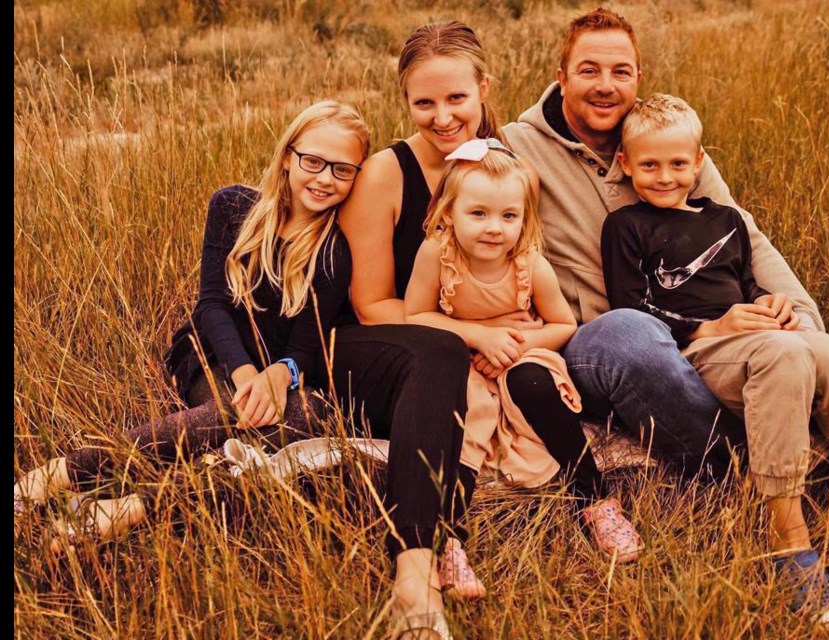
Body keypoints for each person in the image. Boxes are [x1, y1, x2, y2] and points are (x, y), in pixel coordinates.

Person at [500, 7, 829, 530]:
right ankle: (763, 470)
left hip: (711, 344)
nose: (605, 85)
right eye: (589, 70)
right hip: (605, 345)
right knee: (631, 334)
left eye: (620, 71)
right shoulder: (516, 148)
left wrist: (795, 320)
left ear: (639, 77)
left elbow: (744, 236)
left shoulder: (665, 142)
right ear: (561, 77)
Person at [601, 94, 829, 631]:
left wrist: (768, 303)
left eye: (678, 163)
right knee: (783, 355)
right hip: (702, 349)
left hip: (758, 332)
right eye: (649, 165)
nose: (664, 176)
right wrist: (709, 327)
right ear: (625, 165)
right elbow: (629, 303)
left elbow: (744, 282)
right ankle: (788, 537)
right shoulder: (626, 226)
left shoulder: (726, 219)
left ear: (699, 161)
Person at [13, 99, 368, 548]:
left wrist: (282, 375)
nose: (324, 178)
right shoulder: (234, 207)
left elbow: (304, 346)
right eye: (313, 161)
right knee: (235, 416)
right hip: (215, 356)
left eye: (342, 169)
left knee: (307, 415)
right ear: (287, 156)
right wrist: (246, 376)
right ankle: (59, 473)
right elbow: (212, 306)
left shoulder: (335, 249)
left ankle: (131, 505)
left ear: (358, 176)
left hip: (282, 377)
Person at [404, 139, 643, 597]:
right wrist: (479, 334)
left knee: (533, 384)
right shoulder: (438, 254)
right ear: (450, 213)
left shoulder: (529, 263)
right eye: (479, 214)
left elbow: (561, 324)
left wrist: (511, 345)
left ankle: (595, 501)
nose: (495, 228)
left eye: (508, 216)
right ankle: (449, 537)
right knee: (465, 412)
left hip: (522, 354)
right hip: (463, 356)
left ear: (524, 219)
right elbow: (416, 317)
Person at [334, 20, 497, 639]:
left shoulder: (499, 163)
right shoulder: (385, 173)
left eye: (456, 98)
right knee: (439, 351)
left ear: (483, 87)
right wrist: (472, 336)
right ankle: (414, 580)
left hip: (451, 342)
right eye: (422, 102)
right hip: (365, 343)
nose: (442, 115)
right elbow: (371, 304)